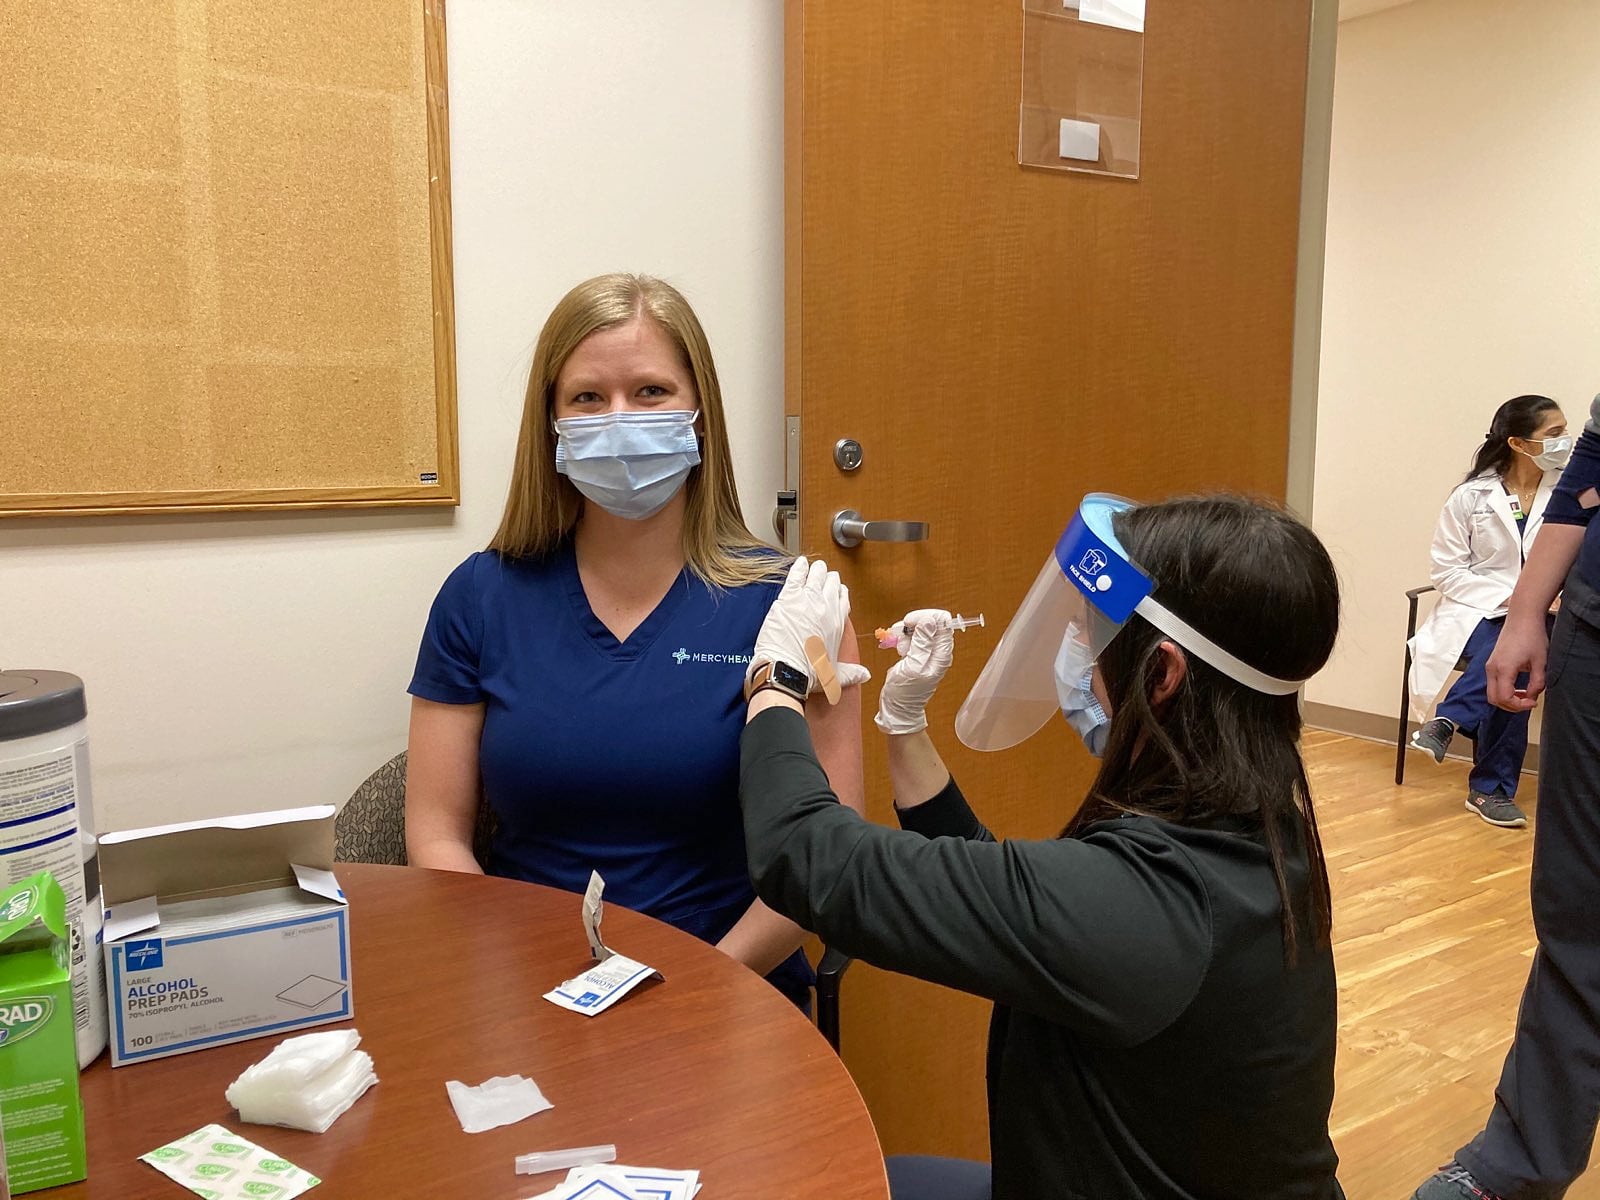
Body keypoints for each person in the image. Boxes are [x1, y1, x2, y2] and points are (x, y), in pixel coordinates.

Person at [738, 494, 1346, 1200]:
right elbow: (1018, 905)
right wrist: (904, 723)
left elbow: (804, 855)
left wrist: (775, 679)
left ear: (1164, 674)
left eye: (1093, 638)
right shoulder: (1261, 831)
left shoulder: (1154, 904)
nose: (1081, 661)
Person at [405, 273, 863, 1008]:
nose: (619, 419)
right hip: (529, 988)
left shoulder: (795, 607)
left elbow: (828, 854)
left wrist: (705, 983)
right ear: (551, 421)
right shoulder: (481, 597)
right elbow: (435, 830)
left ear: (700, 416)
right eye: (588, 397)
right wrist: (504, 975)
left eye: (651, 392)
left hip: (731, 986)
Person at [1415, 392, 1600, 1199]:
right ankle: (1515, 1166)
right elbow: (1593, 465)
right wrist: (1528, 608)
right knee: (1576, 905)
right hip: (1591, 632)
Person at [1408, 395, 1570, 827]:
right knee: (1510, 656)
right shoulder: (1469, 497)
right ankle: (1489, 790)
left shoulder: (1571, 493)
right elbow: (1446, 571)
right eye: (1554, 435)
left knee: (1516, 651)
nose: (1566, 442)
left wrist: (1545, 599)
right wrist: (1514, 601)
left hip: (1550, 613)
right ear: (1519, 443)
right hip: (1478, 611)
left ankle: (1450, 719)